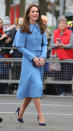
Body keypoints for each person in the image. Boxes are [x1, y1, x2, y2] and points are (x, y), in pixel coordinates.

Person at [13, 4, 48, 126]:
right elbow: (19, 46)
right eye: (33, 11)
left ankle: (20, 112)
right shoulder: (23, 28)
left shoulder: (42, 27)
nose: (35, 13)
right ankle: (41, 116)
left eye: (37, 11)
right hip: (29, 61)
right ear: (28, 13)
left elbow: (44, 44)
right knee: (37, 86)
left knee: (31, 89)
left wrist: (42, 57)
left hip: (40, 62)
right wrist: (33, 57)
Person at [51, 16, 73, 96]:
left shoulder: (70, 33)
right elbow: (51, 45)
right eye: (61, 23)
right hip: (57, 58)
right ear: (58, 24)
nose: (63, 24)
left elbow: (71, 44)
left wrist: (64, 45)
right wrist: (56, 45)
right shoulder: (54, 32)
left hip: (68, 57)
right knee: (58, 76)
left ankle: (67, 90)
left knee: (67, 76)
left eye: (64, 23)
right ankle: (61, 91)